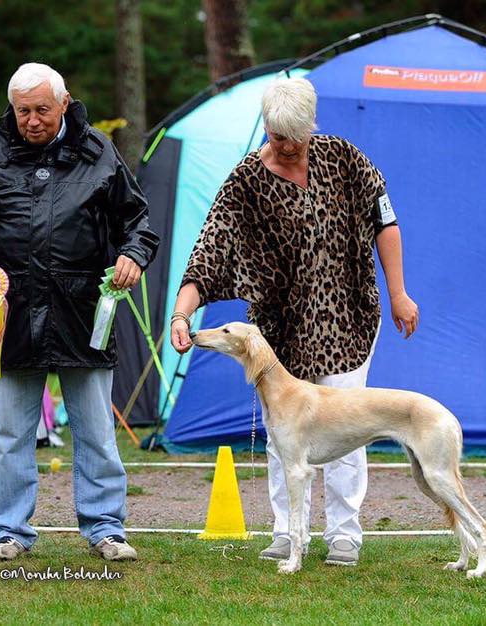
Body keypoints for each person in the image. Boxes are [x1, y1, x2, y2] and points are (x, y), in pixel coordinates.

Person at [171, 77, 419, 566]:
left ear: (312, 125)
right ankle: (287, 532)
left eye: (296, 136)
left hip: (349, 320)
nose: (287, 146)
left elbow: (385, 223)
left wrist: (398, 293)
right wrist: (182, 314)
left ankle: (344, 533)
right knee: (282, 437)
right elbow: (208, 253)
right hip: (281, 333)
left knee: (348, 426)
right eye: (277, 135)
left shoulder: (344, 158)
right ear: (265, 126)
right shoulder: (246, 181)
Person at [0, 63, 159, 561]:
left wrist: (133, 254)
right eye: (23, 112)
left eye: (42, 109)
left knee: (96, 430)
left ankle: (106, 528)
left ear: (64, 103)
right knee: (10, 432)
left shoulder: (99, 153)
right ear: (12, 109)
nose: (33, 120)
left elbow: (137, 221)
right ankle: (9, 532)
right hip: (13, 313)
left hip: (83, 310)